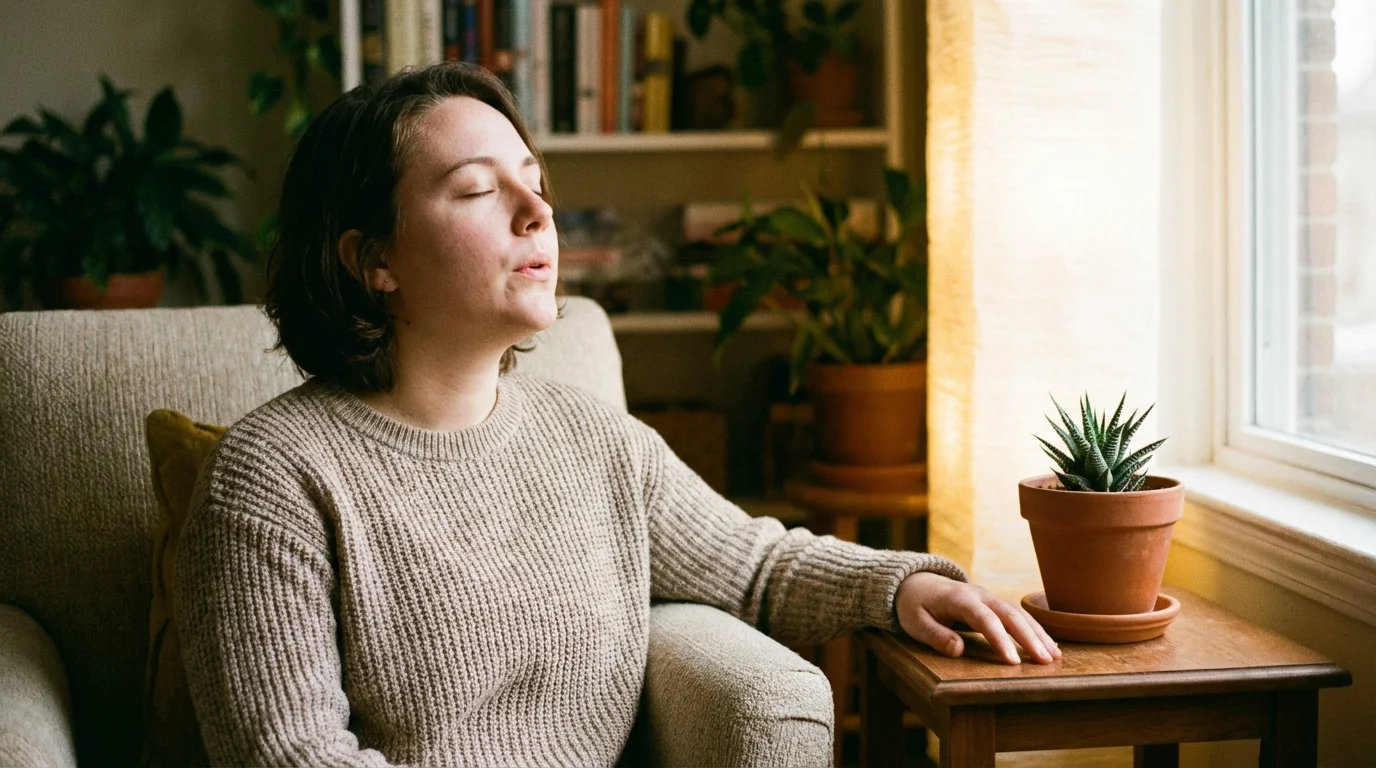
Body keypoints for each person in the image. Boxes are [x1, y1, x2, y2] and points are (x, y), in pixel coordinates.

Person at [174, 61, 1059, 767]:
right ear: (373, 260)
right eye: (478, 190)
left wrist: (902, 587)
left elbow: (758, 569)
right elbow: (294, 755)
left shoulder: (593, 439)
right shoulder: (271, 478)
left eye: (535, 183)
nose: (537, 213)